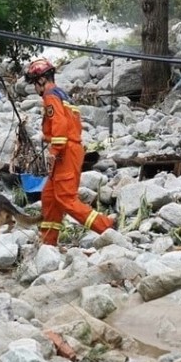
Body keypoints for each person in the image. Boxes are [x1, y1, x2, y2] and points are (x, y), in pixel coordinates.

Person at [24, 58, 115, 246]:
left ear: (41, 80)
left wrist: (53, 153)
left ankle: (106, 227)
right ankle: (48, 242)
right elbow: (66, 123)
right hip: (70, 148)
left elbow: (60, 127)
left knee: (66, 198)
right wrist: (45, 136)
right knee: (49, 196)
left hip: (66, 151)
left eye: (34, 83)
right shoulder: (61, 95)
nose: (35, 88)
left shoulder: (50, 96)